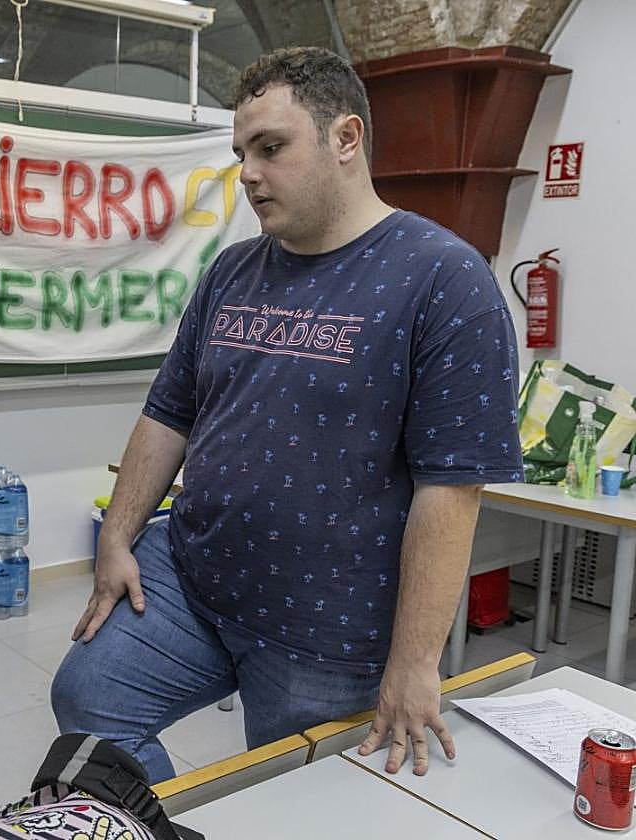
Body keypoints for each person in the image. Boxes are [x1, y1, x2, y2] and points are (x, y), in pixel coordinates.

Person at [51, 46, 524, 784]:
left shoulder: (444, 281)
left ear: (345, 138)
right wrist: (118, 535)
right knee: (88, 697)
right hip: (191, 580)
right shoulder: (233, 269)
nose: (248, 173)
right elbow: (169, 411)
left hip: (327, 630)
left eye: (271, 148)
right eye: (242, 152)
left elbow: (451, 489)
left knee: (291, 801)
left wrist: (415, 661)